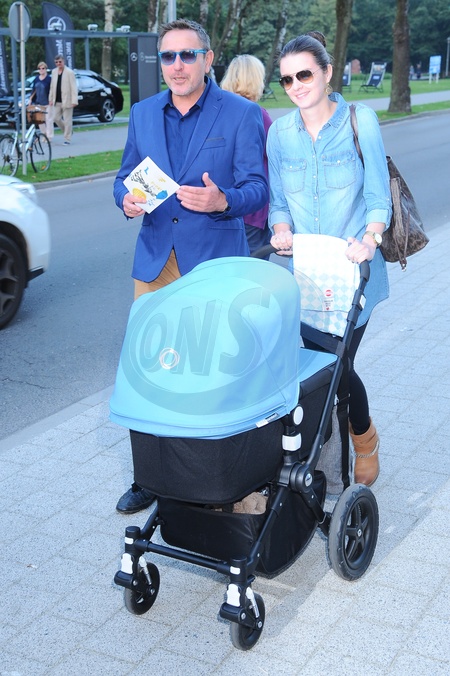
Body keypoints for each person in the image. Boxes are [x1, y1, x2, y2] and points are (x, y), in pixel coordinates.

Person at [113, 18, 268, 513]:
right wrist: (125, 200)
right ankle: (148, 478)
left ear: (207, 59)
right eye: (168, 56)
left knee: (213, 376)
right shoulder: (142, 113)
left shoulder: (241, 113)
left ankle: (221, 478)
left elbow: (258, 189)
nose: (177, 65)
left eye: (187, 55)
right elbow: (124, 176)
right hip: (156, 263)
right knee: (147, 372)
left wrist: (223, 201)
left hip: (215, 265)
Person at [267, 32, 392, 487]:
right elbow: (278, 202)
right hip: (306, 274)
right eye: (286, 79)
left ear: (327, 72)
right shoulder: (280, 134)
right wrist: (281, 228)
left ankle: (363, 436)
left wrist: (371, 238)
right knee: (317, 363)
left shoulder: (360, 120)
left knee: (338, 364)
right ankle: (315, 441)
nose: (296, 86)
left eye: (304, 74)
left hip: (354, 270)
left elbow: (378, 195)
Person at [220, 54, 272, 254]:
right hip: (252, 207)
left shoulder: (219, 111)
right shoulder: (256, 113)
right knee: (253, 266)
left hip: (226, 202)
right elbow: (274, 153)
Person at [48, 55, 78, 145]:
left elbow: (74, 87)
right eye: (56, 62)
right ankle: (68, 131)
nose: (58, 64)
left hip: (67, 100)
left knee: (67, 120)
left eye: (60, 62)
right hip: (56, 100)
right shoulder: (54, 72)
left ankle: (67, 139)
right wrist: (50, 98)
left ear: (63, 61)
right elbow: (52, 86)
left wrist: (74, 100)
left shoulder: (69, 72)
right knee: (56, 118)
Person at [29, 61, 53, 139]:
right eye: (39, 68)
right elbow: (34, 89)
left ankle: (49, 136)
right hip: (38, 102)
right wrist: (30, 99)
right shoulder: (36, 78)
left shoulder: (49, 79)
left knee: (48, 119)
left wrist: (51, 99)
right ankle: (44, 135)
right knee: (39, 120)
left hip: (47, 102)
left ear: (46, 69)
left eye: (43, 68)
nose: (41, 70)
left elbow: (52, 90)